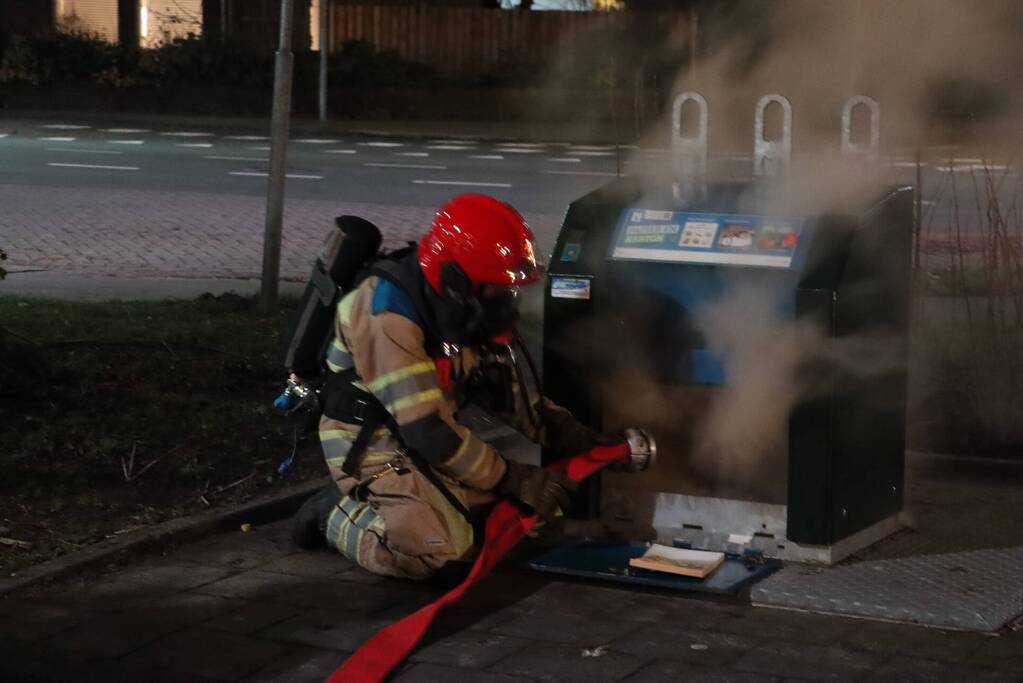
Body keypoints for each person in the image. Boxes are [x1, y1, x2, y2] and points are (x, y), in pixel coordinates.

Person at [291, 194, 625, 580]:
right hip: (371, 444)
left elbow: (507, 398)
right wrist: (514, 477)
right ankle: (335, 514)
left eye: (511, 292)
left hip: (425, 438)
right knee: (440, 553)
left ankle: (434, 503)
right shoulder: (386, 313)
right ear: (456, 280)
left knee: (512, 518)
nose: (507, 304)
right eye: (497, 291)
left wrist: (579, 438)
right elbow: (428, 432)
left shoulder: (461, 308)